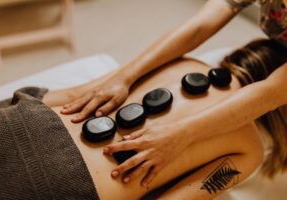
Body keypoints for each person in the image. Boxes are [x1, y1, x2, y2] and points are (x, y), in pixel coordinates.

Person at [0, 39, 276, 200]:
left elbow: (76, 94)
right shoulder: (249, 148)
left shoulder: (182, 62)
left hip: (23, 121)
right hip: (66, 184)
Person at [60, 0, 287, 187]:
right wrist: (123, 78)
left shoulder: (249, 151)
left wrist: (180, 134)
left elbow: (269, 94)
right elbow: (199, 26)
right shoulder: (250, 152)